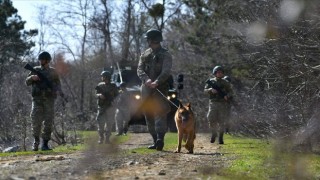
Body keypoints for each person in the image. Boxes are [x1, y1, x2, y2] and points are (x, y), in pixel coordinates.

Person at [137, 29, 172, 151]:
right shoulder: (145, 54)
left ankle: (160, 139)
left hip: (160, 88)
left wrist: (157, 82)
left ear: (153, 39)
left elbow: (166, 71)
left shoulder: (166, 54)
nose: (147, 41)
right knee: (148, 114)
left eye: (148, 39)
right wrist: (146, 80)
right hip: (146, 89)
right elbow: (140, 70)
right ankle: (154, 139)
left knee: (160, 112)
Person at [25, 51, 61, 151]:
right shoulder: (35, 70)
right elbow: (27, 82)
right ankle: (36, 142)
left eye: (43, 59)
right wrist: (32, 77)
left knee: (48, 122)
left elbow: (58, 84)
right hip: (37, 100)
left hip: (49, 100)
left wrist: (58, 91)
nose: (41, 61)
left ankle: (45, 144)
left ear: (48, 60)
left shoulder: (53, 72)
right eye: (40, 59)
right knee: (35, 121)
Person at [204, 66, 234, 144]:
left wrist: (227, 96)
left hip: (222, 103)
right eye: (218, 72)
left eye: (221, 72)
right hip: (213, 103)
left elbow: (231, 91)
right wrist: (211, 90)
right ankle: (214, 133)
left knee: (222, 121)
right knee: (210, 118)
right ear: (215, 73)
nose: (219, 74)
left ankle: (221, 137)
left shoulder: (225, 82)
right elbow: (205, 90)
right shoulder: (211, 81)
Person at [95, 70, 118, 144]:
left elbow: (117, 96)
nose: (102, 77)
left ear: (107, 77)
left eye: (103, 76)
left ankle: (107, 139)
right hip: (101, 107)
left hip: (110, 107)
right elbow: (96, 94)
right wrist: (99, 95)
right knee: (100, 123)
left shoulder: (113, 86)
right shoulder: (100, 85)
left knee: (109, 123)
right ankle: (101, 138)